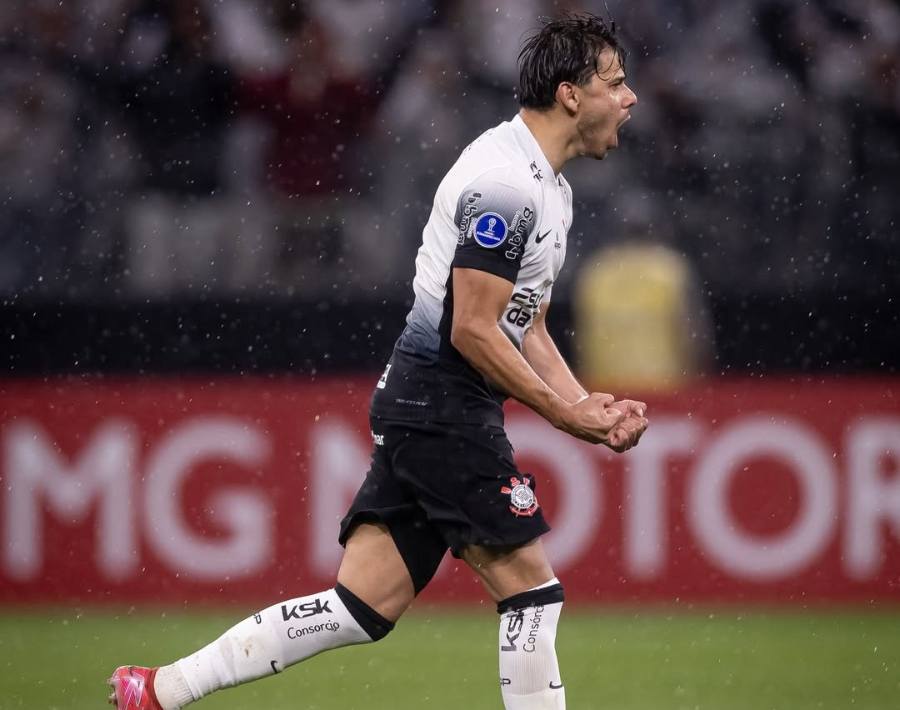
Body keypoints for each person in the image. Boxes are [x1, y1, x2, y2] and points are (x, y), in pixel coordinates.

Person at [108, 12, 646, 710]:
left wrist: (584, 403)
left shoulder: (551, 189)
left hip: (427, 402)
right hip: (443, 403)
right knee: (532, 593)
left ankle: (159, 689)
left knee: (361, 605)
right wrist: (567, 418)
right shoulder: (506, 185)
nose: (630, 97)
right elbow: (473, 331)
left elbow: (527, 322)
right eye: (615, 82)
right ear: (571, 94)